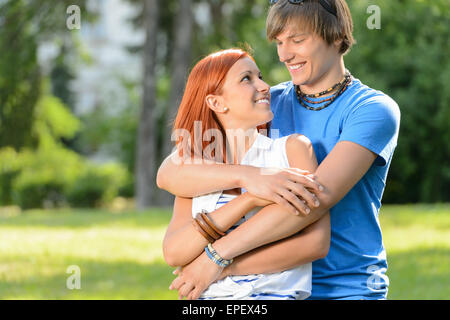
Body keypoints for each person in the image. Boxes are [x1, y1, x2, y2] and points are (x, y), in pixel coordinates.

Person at [158, 0, 400, 300]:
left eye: (297, 40)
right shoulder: (265, 104)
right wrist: (251, 177)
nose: (285, 54)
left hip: (344, 287)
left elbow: (314, 200)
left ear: (336, 35)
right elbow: (171, 171)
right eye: (279, 42)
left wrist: (217, 260)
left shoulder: (372, 110)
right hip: (271, 284)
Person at [162, 48, 330, 300]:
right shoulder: (197, 170)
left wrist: (219, 265)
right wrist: (248, 198)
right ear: (216, 102)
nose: (264, 86)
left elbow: (315, 244)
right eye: (246, 79)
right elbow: (174, 253)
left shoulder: (292, 149)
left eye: (260, 76)